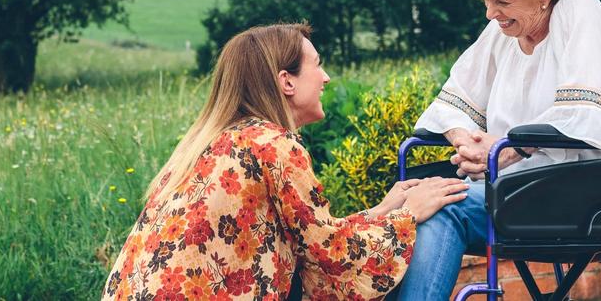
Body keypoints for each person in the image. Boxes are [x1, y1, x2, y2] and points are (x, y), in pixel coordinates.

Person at [101, 24, 470, 300]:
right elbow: (331, 258)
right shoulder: (273, 146)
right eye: (317, 65)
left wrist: (382, 209)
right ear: (286, 82)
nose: (325, 77)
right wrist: (408, 216)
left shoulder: (215, 141)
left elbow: (308, 237)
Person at [397, 0, 601, 299]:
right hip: (520, 190)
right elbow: (451, 101)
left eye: (502, 1)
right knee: (417, 198)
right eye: (486, 0)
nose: (490, 13)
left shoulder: (579, 12)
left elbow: (582, 115)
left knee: (441, 206)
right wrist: (468, 144)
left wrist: (503, 150)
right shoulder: (502, 34)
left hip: (588, 191)